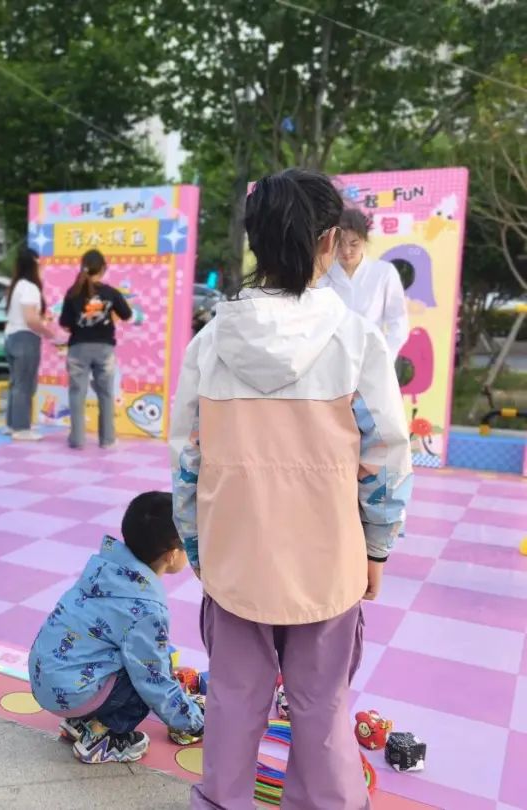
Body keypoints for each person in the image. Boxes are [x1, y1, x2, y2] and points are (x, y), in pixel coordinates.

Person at [170, 169, 412, 809]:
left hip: (235, 556)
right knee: (322, 700)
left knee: (232, 697)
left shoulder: (209, 343)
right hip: (328, 560)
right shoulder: (357, 340)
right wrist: (377, 547)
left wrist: (197, 548)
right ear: (329, 240)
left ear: (255, 240)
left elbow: (187, 459)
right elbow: (387, 455)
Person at [27, 492, 204, 764]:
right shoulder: (147, 607)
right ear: (172, 555)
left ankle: (80, 721)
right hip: (73, 693)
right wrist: (193, 721)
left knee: (125, 654)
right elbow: (153, 678)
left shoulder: (103, 568)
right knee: (145, 675)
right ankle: (102, 738)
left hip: (45, 682)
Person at [59, 249, 133, 449]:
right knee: (106, 393)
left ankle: (77, 440)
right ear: (103, 268)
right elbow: (127, 315)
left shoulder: (73, 293)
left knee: (77, 393)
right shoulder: (111, 293)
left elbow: (64, 323)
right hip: (104, 348)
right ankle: (107, 439)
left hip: (78, 348)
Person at [318, 207, 409, 356]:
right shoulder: (322, 275)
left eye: (354, 244)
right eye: (339, 244)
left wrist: (385, 356)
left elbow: (398, 321)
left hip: (371, 356)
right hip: (332, 359)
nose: (346, 251)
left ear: (364, 240)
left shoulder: (383, 273)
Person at [3, 247, 55, 441]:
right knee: (24, 384)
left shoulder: (17, 285)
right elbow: (31, 319)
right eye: (40, 262)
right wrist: (49, 333)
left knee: (16, 383)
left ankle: (12, 424)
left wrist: (41, 321)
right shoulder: (30, 287)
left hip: (11, 337)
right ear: (34, 263)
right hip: (25, 339)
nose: (42, 266)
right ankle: (21, 428)